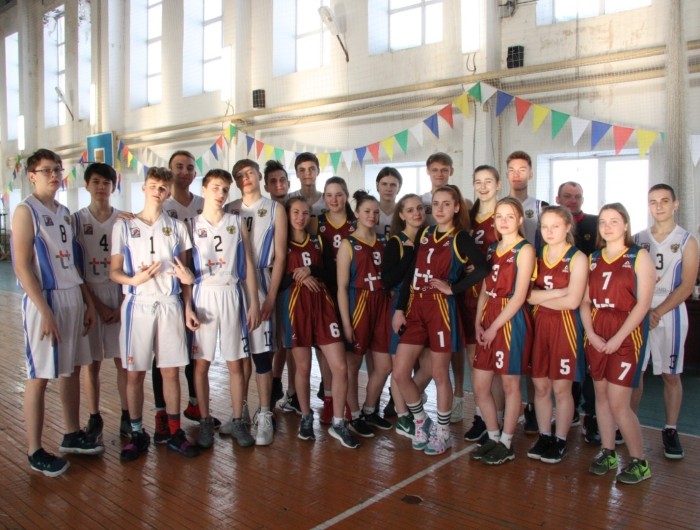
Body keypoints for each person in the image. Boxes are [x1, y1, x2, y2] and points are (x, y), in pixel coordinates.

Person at [12, 148, 103, 477]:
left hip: (73, 298)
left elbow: (74, 264)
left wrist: (88, 301)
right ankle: (34, 450)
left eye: (57, 169)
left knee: (72, 369)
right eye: (46, 170)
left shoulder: (64, 212)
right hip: (46, 300)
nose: (54, 175)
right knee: (39, 377)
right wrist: (44, 310)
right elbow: (21, 266)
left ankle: (71, 433)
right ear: (32, 175)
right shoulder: (26, 211)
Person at [111, 166, 200, 462]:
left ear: (168, 192)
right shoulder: (124, 226)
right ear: (143, 187)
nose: (157, 192)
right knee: (135, 373)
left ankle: (174, 431)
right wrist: (133, 279)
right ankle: (137, 433)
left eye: (163, 188)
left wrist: (188, 304)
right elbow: (114, 271)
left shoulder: (177, 227)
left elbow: (184, 272)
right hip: (137, 304)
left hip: (170, 303)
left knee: (171, 372)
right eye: (153, 186)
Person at [393, 185, 488, 456]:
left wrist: (453, 288)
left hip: (440, 308)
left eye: (447, 204)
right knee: (400, 373)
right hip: (416, 307)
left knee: (439, 373)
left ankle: (443, 433)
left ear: (457, 207)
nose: (440, 208)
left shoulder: (460, 237)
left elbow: (483, 268)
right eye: (436, 204)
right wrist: (400, 308)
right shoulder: (425, 233)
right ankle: (422, 421)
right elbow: (411, 273)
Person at [183, 169, 261, 449]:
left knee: (235, 362)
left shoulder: (236, 222)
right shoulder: (190, 225)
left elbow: (249, 264)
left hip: (231, 293)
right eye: (215, 188)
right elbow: (185, 271)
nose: (220, 194)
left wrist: (254, 302)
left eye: (225, 189)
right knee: (201, 362)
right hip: (203, 293)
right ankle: (205, 420)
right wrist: (187, 306)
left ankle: (238, 420)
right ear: (203, 189)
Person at [581, 203, 654, 485]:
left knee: (618, 402)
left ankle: (639, 462)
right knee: (600, 396)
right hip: (597, 330)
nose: (608, 226)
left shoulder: (638, 256)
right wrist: (591, 334)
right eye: (603, 222)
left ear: (625, 224)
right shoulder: (593, 258)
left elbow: (643, 305)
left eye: (614, 221)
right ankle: (608, 451)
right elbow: (585, 301)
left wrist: (618, 338)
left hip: (626, 333)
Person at [279, 197, 359, 448]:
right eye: (296, 212)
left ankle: (338, 422)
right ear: (287, 214)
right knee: (303, 368)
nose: (300, 217)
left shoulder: (317, 241)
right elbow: (276, 281)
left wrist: (311, 269)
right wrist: (297, 275)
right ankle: (306, 416)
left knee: (340, 367)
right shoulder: (281, 242)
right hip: (296, 309)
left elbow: (331, 274)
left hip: (323, 307)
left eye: (305, 213)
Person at [632, 184, 698, 460]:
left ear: (675, 204)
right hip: (640, 312)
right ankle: (629, 423)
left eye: (664, 201)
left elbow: (687, 285)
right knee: (635, 374)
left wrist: (657, 311)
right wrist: (644, 310)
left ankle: (670, 429)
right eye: (653, 201)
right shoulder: (638, 238)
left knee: (671, 374)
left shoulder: (687, 240)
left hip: (670, 313)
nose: (658, 206)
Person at [224, 159, 287, 446]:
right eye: (239, 175)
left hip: (262, 280)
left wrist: (271, 296)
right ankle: (242, 412)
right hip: (233, 284)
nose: (245, 178)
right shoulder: (229, 209)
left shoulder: (274, 208)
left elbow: (281, 256)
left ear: (259, 175)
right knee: (238, 354)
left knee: (262, 353)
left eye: (249, 172)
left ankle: (265, 413)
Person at [470, 197, 535, 465]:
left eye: (510, 216)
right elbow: (485, 290)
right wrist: (478, 322)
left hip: (510, 319)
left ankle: (507, 442)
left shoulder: (525, 250)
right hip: (489, 316)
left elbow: (519, 296)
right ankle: (493, 436)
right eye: (499, 216)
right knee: (480, 385)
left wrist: (494, 327)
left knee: (510, 384)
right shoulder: (492, 249)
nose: (504, 221)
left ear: (519, 220)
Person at [154, 150, 212, 442]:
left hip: (203, 284)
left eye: (190, 167)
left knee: (195, 349)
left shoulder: (203, 204)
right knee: (165, 356)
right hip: (170, 288)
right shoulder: (162, 204)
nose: (185, 172)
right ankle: (162, 413)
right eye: (179, 166)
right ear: (170, 170)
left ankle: (194, 404)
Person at [526, 206, 588, 464]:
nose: (549, 231)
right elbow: (527, 296)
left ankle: (560, 439)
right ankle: (544, 435)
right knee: (540, 386)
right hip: (539, 326)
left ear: (568, 227)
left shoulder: (578, 258)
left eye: (555, 226)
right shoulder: (536, 256)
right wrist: (558, 293)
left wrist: (542, 297)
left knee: (562, 388)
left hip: (566, 327)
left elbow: (573, 302)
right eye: (545, 226)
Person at [73, 163, 129, 441]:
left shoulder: (124, 219)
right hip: (90, 295)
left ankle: (128, 415)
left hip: (120, 293)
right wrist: (94, 304)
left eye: (106, 183)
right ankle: (94, 416)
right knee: (91, 363)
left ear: (113, 186)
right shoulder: (76, 220)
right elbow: (74, 268)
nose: (101, 187)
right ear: (86, 185)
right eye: (96, 181)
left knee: (123, 362)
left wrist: (123, 302)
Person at [420, 153, 472, 422]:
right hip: (427, 286)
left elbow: (466, 239)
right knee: (425, 347)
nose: (439, 174)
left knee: (455, 345)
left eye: (444, 169)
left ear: (451, 171)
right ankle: (422, 392)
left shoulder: (463, 201)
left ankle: (459, 396)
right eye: (435, 170)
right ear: (428, 171)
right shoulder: (421, 202)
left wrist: (461, 277)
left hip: (451, 278)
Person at [337, 191, 393, 438]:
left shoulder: (383, 241)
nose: (372, 215)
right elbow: (341, 287)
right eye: (367, 211)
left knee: (384, 365)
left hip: (382, 304)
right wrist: (346, 323)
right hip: (358, 305)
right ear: (357, 213)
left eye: (375, 212)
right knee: (352, 364)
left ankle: (370, 409)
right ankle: (354, 414)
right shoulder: (348, 244)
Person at [381, 194, 431, 439]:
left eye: (419, 208)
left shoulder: (428, 238)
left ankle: (412, 401)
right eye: (410, 210)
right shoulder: (396, 242)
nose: (416, 213)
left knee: (429, 365)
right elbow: (387, 280)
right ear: (401, 215)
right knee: (399, 366)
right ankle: (402, 416)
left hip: (424, 305)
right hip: (401, 306)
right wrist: (410, 257)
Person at [506, 150, 547, 434]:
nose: (517, 174)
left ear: (531, 173)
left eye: (522, 169)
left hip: (532, 288)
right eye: (512, 169)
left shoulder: (542, 207)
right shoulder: (499, 207)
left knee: (532, 355)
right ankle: (503, 410)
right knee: (506, 354)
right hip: (502, 288)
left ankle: (532, 407)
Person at [463, 165, 504, 442]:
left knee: (493, 364)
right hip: (469, 294)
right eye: (478, 181)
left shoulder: (504, 214)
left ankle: (495, 418)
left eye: (488, 181)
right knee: (474, 360)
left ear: (498, 184)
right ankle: (481, 415)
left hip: (494, 295)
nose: (483, 186)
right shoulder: (466, 218)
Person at [556, 181, 599, 443]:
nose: (573, 200)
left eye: (578, 196)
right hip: (561, 303)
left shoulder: (595, 223)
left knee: (590, 363)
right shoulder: (551, 225)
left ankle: (591, 417)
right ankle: (569, 412)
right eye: (568, 196)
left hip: (590, 304)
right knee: (567, 361)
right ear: (558, 198)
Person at [311, 176, 356, 424]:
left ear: (346, 195)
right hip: (325, 291)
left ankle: (348, 402)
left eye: (339, 194)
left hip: (351, 291)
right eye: (329, 195)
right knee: (325, 350)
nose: (334, 199)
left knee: (347, 352)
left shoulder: (355, 222)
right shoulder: (316, 223)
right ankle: (328, 398)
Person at [263, 160, 300, 413]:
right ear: (266, 186)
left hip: (293, 281)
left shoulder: (296, 208)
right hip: (270, 279)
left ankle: (291, 391)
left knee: (292, 341)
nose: (279, 185)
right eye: (273, 181)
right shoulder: (263, 210)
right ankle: (271, 387)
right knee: (272, 341)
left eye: (282, 180)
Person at [287, 152, 327, 221]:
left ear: (318, 171)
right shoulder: (289, 199)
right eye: (302, 170)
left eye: (311, 169)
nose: (307, 173)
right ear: (297, 173)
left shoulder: (328, 200)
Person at [375, 167, 402, 237]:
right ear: (377, 186)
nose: (388, 189)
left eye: (393, 185)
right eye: (384, 184)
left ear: (399, 188)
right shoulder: (369, 212)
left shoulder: (404, 213)